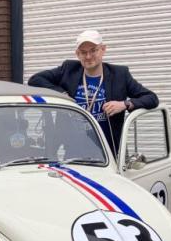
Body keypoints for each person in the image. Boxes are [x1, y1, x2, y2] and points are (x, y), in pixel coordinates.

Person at [28, 30, 158, 158]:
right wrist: (62, 94)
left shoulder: (119, 74)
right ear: (77, 54)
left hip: (107, 154)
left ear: (103, 49)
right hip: (72, 153)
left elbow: (151, 98)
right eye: (83, 52)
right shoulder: (69, 69)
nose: (88, 56)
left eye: (93, 50)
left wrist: (125, 104)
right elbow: (35, 79)